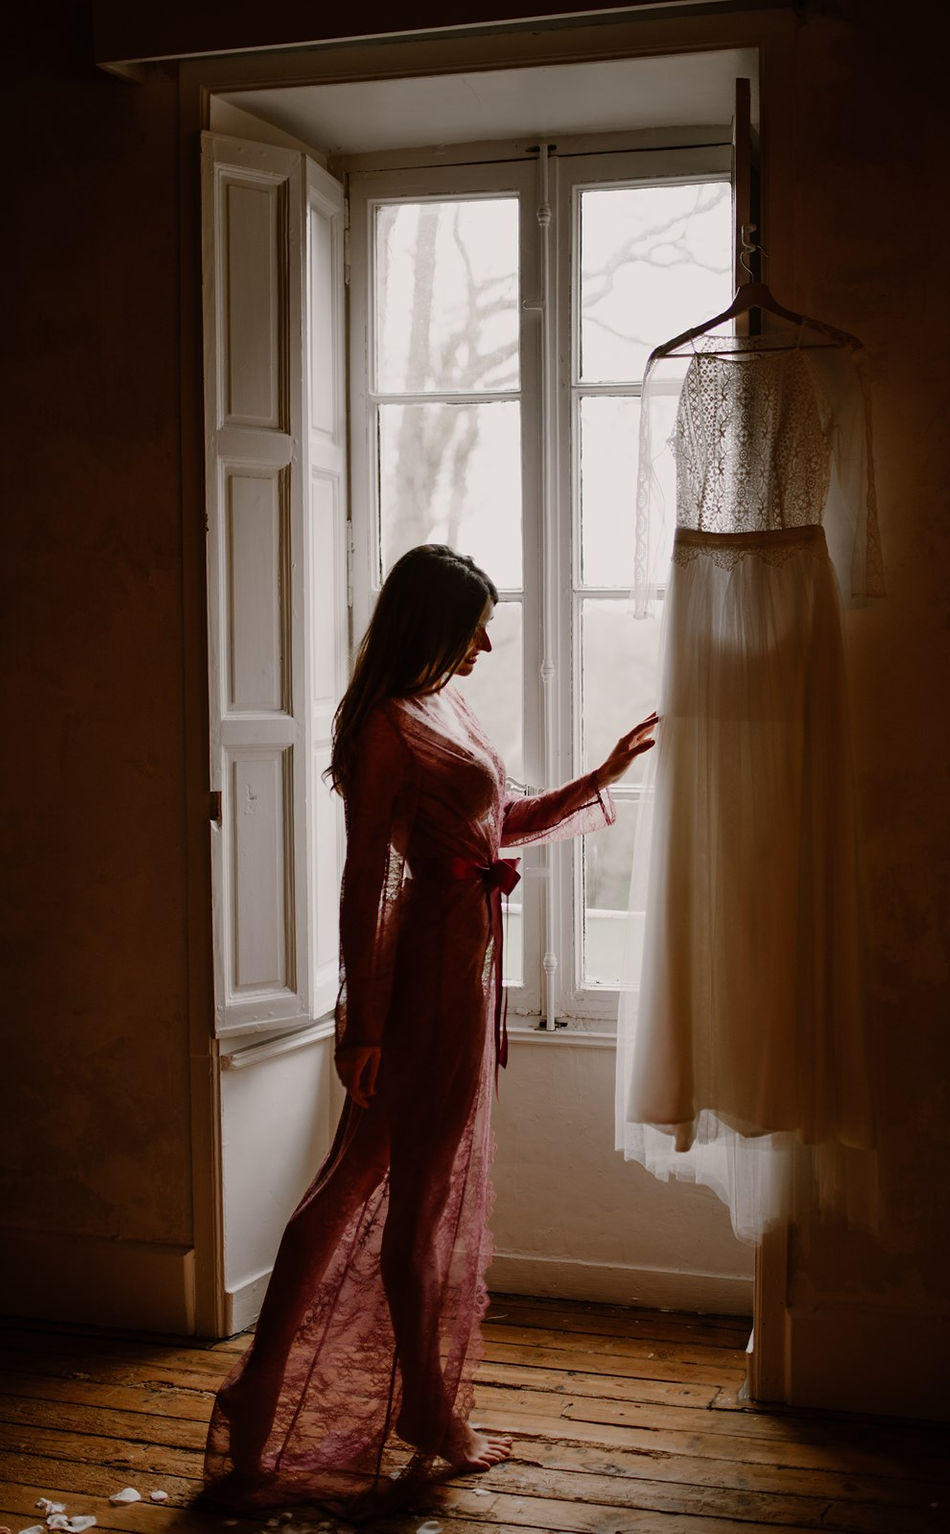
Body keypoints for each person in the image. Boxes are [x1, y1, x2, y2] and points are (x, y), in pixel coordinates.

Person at [202, 544, 656, 1520]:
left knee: (358, 1191)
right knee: (401, 1203)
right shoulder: (381, 726)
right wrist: (360, 1026)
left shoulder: (439, 706)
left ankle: (272, 1399)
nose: (488, 644)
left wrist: (601, 775)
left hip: (460, 974)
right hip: (420, 992)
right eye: (476, 626)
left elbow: (498, 830)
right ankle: (425, 1412)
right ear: (432, 624)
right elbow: (364, 876)